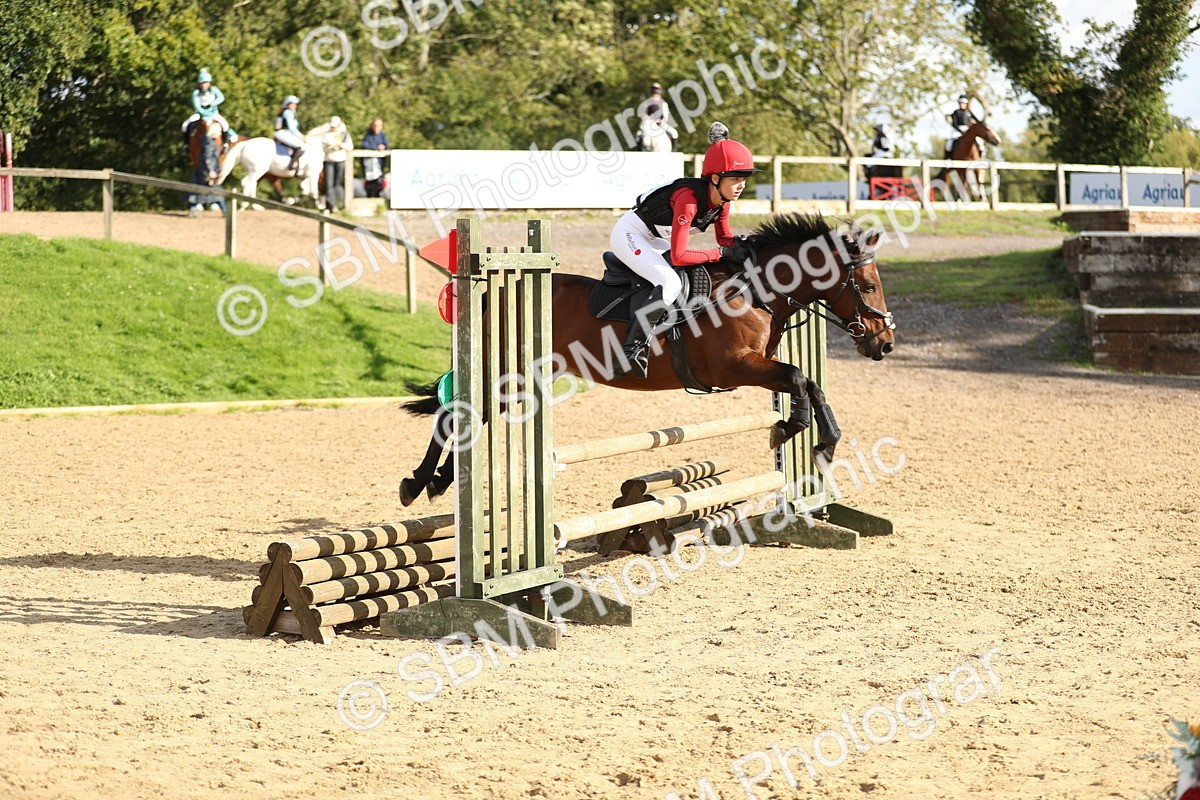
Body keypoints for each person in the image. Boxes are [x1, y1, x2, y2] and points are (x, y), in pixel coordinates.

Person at [608, 121, 756, 380]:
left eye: (743, 179)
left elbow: (725, 239)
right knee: (668, 282)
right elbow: (680, 255)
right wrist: (721, 254)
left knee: (688, 275)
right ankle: (629, 353)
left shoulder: (722, 202)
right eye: (735, 179)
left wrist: (749, 246)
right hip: (630, 234)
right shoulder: (688, 199)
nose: (741, 185)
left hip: (654, 237)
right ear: (714, 178)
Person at [180, 69, 232, 153]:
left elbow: (221, 98)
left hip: (213, 113)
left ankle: (225, 144)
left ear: (209, 82)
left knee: (225, 125)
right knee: (185, 125)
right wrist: (204, 113)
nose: (204, 85)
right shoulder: (196, 93)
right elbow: (197, 107)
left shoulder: (214, 90)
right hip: (200, 115)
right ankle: (186, 145)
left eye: (205, 82)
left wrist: (212, 104)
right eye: (202, 83)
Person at [309, 116, 353, 212]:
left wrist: (340, 146)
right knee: (329, 184)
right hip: (329, 161)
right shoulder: (326, 135)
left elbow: (350, 146)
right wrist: (331, 148)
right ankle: (332, 206)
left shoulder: (344, 134)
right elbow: (324, 148)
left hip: (340, 160)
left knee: (337, 183)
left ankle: (339, 204)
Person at [636, 82, 678, 151]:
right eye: (654, 94)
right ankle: (639, 151)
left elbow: (665, 115)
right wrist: (649, 121)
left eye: (657, 94)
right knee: (638, 136)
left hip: (660, 124)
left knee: (674, 133)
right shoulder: (647, 103)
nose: (656, 95)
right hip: (649, 124)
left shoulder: (663, 103)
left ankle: (674, 150)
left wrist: (661, 122)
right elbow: (643, 115)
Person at [274, 95, 306, 172]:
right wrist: (300, 136)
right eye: (293, 104)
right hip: (283, 133)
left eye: (295, 104)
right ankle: (293, 164)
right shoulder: (288, 112)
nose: (295, 106)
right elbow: (292, 128)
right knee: (301, 146)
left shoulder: (284, 111)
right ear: (288, 104)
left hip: (281, 133)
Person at [360, 117, 390, 198]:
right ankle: (369, 196)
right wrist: (376, 147)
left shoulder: (382, 135)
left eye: (379, 126)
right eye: (375, 126)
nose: (377, 128)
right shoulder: (368, 135)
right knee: (369, 181)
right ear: (372, 126)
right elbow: (364, 145)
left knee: (378, 181)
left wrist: (383, 147)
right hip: (369, 163)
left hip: (379, 163)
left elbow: (387, 146)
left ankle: (377, 197)